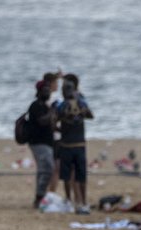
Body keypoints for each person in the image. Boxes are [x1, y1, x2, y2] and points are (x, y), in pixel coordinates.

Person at [54, 74, 93, 213]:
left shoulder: (63, 105)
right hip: (79, 144)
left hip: (67, 144)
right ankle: (83, 201)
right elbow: (90, 115)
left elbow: (54, 120)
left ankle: (70, 200)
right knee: (81, 175)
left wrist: (63, 127)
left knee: (67, 175)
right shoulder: (81, 103)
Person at [25, 81, 55, 209]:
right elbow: (42, 121)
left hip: (47, 143)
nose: (48, 93)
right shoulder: (36, 106)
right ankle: (39, 197)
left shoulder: (45, 106)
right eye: (45, 90)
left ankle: (40, 196)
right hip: (38, 143)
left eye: (49, 90)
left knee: (43, 170)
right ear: (39, 92)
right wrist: (52, 112)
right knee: (47, 169)